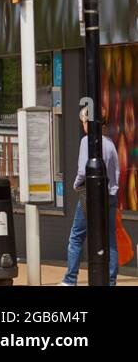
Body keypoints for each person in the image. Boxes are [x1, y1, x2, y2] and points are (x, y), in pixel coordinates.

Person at [60, 108, 121, 286]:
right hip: (109, 196)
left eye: (84, 121)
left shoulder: (87, 141)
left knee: (76, 236)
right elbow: (116, 173)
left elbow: (82, 171)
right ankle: (110, 280)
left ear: (90, 123)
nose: (83, 125)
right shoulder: (110, 144)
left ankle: (70, 279)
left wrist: (76, 184)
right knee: (109, 240)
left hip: (91, 196)